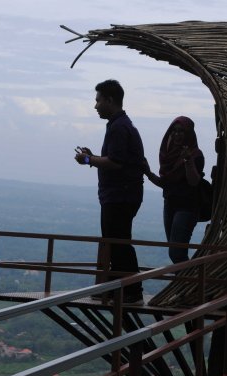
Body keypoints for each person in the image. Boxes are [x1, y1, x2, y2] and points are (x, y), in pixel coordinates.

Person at [74, 79, 144, 304]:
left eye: (98, 100)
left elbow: (116, 162)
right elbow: (115, 160)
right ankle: (117, 288)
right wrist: (94, 157)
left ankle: (131, 291)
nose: (95, 106)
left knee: (118, 242)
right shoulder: (120, 125)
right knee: (115, 241)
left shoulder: (118, 127)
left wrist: (87, 159)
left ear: (110, 100)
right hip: (122, 194)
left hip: (120, 196)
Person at [143, 116, 205, 263]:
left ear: (189, 133)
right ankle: (190, 283)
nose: (177, 134)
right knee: (175, 252)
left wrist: (188, 161)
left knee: (177, 253)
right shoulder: (169, 155)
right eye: (174, 131)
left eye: (181, 131)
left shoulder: (196, 155)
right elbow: (166, 184)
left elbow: (194, 181)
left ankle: (192, 283)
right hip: (170, 204)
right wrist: (148, 172)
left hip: (187, 207)